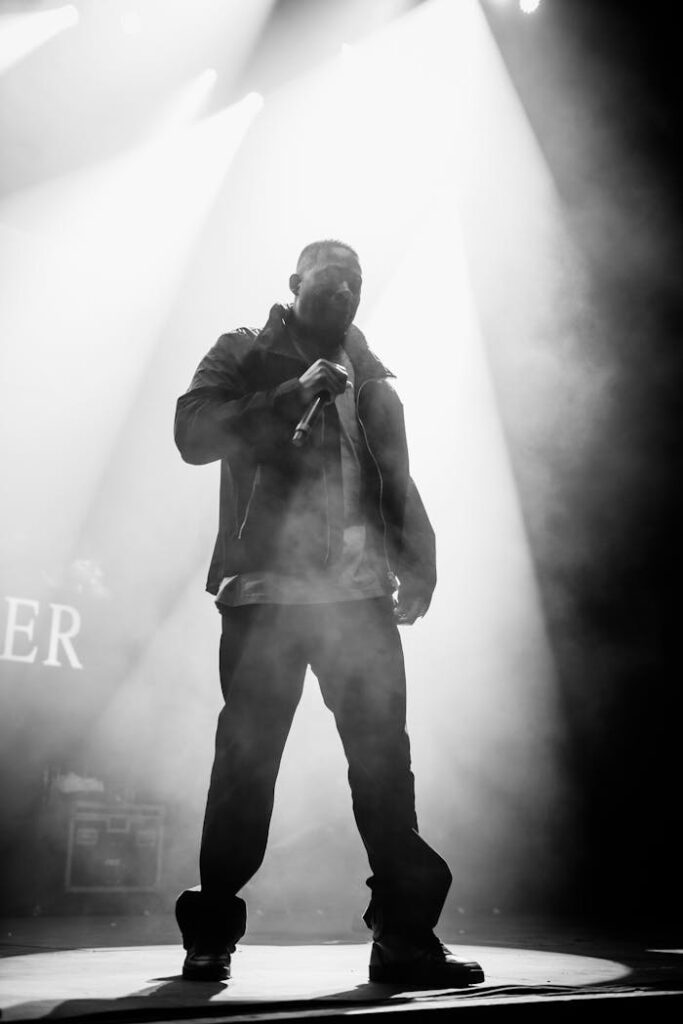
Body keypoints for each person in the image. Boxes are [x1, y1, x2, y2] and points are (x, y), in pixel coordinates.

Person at [173, 239, 484, 987]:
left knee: (385, 768)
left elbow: (395, 477)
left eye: (355, 281)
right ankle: (210, 934)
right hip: (267, 596)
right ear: (295, 283)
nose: (344, 290)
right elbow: (192, 434)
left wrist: (421, 559)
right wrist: (291, 393)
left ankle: (403, 938)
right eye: (330, 278)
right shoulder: (244, 351)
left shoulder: (371, 376)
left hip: (358, 599)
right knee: (246, 767)